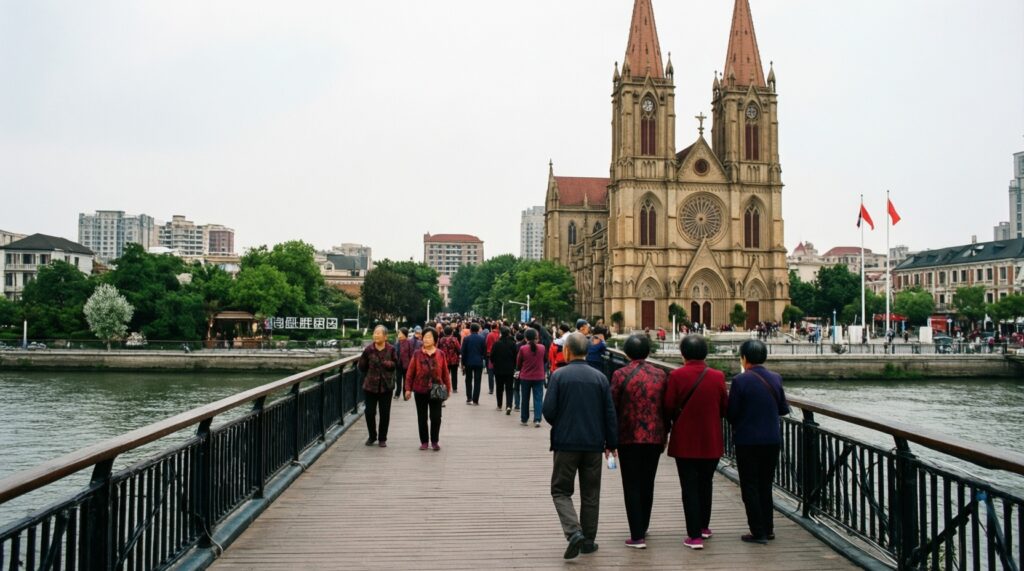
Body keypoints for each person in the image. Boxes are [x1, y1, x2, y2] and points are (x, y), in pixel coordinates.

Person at [543, 332, 618, 560]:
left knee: (560, 490)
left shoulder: (559, 376)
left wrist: (563, 422)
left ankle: (573, 531)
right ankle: (588, 541)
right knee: (591, 492)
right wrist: (611, 443)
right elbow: (609, 414)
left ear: (567, 351)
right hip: (594, 443)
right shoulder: (600, 378)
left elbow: (548, 411)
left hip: (566, 443)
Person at [665, 335, 728, 550]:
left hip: (685, 441)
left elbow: (669, 405)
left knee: (689, 487)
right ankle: (704, 527)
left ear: (682, 354)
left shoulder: (676, 375)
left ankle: (694, 536)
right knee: (706, 483)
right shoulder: (718, 376)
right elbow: (724, 407)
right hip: (711, 439)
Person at [728, 339, 790, 544]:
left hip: (747, 440)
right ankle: (769, 528)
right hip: (772, 439)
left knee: (750, 486)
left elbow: (732, 412)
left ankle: (758, 530)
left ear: (744, 358)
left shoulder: (740, 381)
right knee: (765, 484)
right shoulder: (776, 378)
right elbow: (783, 408)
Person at [609, 334, 667, 549]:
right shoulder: (660, 374)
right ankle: (643, 525)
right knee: (648, 481)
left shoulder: (619, 374)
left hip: (628, 436)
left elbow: (612, 405)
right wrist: (665, 430)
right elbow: (666, 406)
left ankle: (637, 535)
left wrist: (610, 438)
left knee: (631, 483)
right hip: (654, 436)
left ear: (626, 353)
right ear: (648, 352)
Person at [405, 328, 452, 451]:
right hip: (420, 388)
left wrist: (448, 389)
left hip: (437, 387)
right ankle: (424, 441)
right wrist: (408, 389)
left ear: (435, 339)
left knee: (436, 417)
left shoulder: (440, 354)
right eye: (425, 337)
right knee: (422, 417)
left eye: (429, 337)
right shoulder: (417, 354)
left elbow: (445, 373)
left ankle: (435, 441)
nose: (426, 339)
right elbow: (410, 372)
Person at [357, 325, 398, 447]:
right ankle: (372, 436)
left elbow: (396, 363)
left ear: (385, 336)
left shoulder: (391, 349)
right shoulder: (368, 349)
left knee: (385, 413)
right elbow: (361, 366)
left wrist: (388, 364)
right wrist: (364, 364)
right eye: (375, 333)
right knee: (369, 412)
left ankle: (382, 438)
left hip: (386, 386)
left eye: (378, 333)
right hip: (370, 385)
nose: (376, 335)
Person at [516, 328, 547, 427]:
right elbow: (545, 360)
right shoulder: (542, 348)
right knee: (538, 398)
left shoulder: (523, 348)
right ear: (536, 337)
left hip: (525, 377)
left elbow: (519, 363)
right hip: (539, 376)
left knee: (525, 398)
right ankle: (537, 419)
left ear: (525, 338)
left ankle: (524, 419)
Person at [490, 326, 518, 414]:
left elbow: (492, 356)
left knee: (499, 387)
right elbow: (516, 357)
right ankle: (509, 405)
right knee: (509, 388)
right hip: (509, 369)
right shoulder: (513, 344)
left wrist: (494, 362)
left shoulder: (496, 344)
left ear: (501, 333)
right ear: (509, 333)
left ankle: (499, 405)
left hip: (498, 369)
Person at [461, 323, 487, 405]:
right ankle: (476, 399)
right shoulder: (482, 338)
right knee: (477, 381)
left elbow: (463, 352)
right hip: (478, 362)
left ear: (470, 330)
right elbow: (484, 351)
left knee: (468, 380)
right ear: (478, 330)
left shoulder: (466, 339)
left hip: (468, 362)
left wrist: (463, 364)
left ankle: (469, 398)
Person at [394, 327, 421, 399]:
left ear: (405, 334)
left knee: (406, 380)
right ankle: (397, 394)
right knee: (398, 380)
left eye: (400, 333)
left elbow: (412, 354)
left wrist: (412, 364)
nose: (399, 335)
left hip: (407, 365)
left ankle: (405, 394)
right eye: (398, 333)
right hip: (398, 365)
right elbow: (394, 353)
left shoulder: (409, 343)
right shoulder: (397, 343)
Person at [438, 326, 461, 394]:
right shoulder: (454, 339)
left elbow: (438, 349)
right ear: (452, 332)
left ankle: (445, 387)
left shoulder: (441, 340)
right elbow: (459, 349)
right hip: (454, 359)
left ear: (444, 332)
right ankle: (454, 388)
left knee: (445, 374)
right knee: (454, 374)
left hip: (444, 360)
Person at [485, 321, 500, 395]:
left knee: (491, 372)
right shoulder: (500, 335)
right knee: (499, 372)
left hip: (490, 354)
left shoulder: (489, 335)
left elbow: (487, 343)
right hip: (499, 355)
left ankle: (491, 389)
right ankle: (500, 387)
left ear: (491, 327)